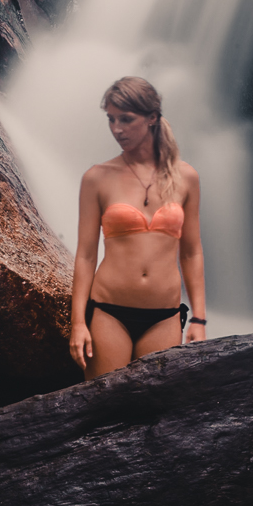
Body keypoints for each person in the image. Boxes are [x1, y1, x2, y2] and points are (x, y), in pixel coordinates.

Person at [70, 76, 207, 378]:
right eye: (111, 119)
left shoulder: (187, 178)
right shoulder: (97, 178)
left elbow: (192, 252)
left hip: (165, 317)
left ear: (152, 118)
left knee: (152, 412)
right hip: (109, 312)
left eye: (126, 119)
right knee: (103, 407)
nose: (116, 129)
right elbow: (85, 256)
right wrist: (78, 323)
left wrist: (199, 318)